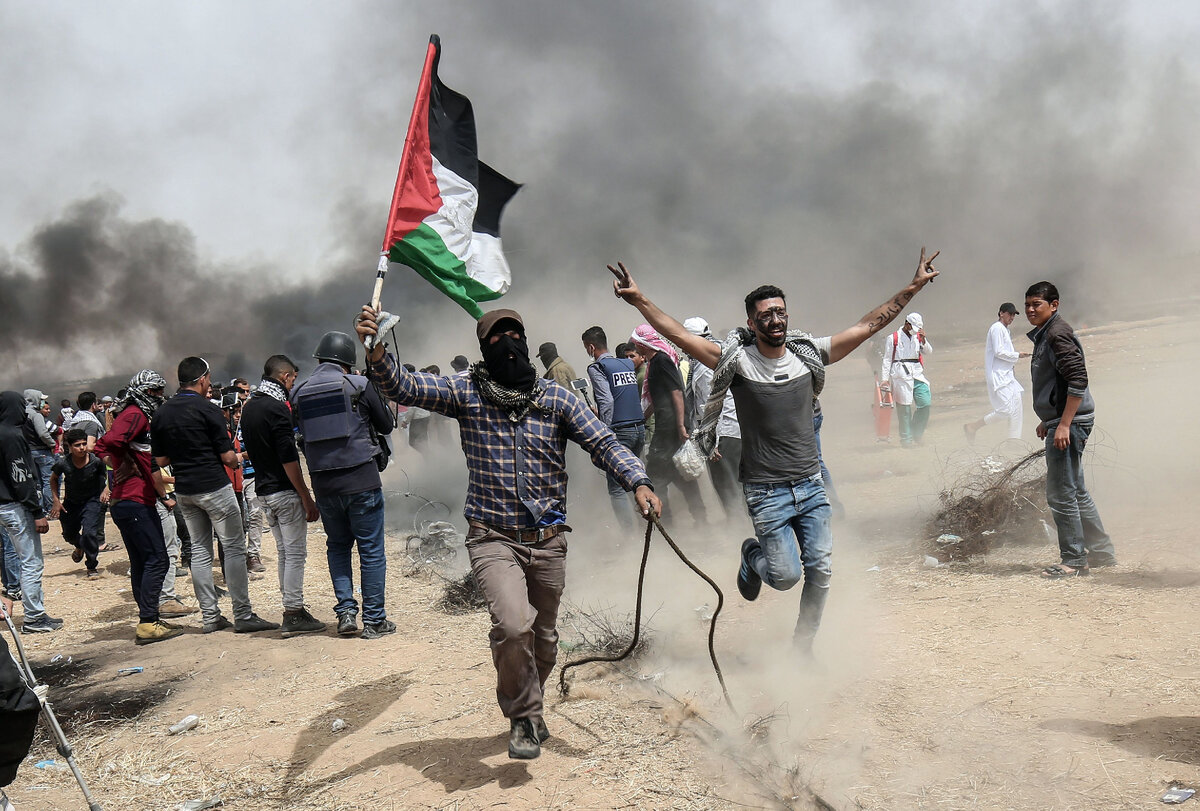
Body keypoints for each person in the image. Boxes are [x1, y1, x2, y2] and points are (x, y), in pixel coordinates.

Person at [356, 305, 661, 760]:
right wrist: (376, 347)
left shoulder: (557, 398)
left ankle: (533, 705)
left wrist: (637, 480)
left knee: (545, 637)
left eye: (515, 335)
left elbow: (603, 441)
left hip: (548, 539)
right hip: (492, 537)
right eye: (498, 339)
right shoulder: (466, 393)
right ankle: (521, 714)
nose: (509, 344)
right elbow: (404, 386)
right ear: (485, 349)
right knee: (513, 625)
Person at [609, 249, 939, 658]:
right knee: (784, 577)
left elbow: (869, 325)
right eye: (765, 314)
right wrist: (639, 299)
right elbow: (679, 336)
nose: (775, 319)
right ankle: (752, 554)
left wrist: (913, 287)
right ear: (751, 322)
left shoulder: (808, 354)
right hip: (767, 491)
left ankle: (803, 648)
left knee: (821, 571)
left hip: (810, 484)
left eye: (780, 311)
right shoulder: (737, 361)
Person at [151, 357, 278, 634]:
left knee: (199, 551)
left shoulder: (162, 412)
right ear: (203, 379)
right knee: (233, 548)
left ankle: (211, 617)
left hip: (185, 490)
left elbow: (160, 459)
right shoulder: (208, 410)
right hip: (214, 486)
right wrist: (236, 460)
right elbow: (228, 457)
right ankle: (243, 615)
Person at [291, 332, 394, 640]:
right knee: (371, 550)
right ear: (347, 362)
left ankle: (346, 613)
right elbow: (387, 425)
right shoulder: (358, 386)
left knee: (337, 547)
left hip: (324, 485)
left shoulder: (299, 392)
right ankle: (374, 621)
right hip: (361, 480)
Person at [1025, 282, 1116, 577]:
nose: (1029, 310)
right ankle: (1102, 552)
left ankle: (1074, 560)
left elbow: (1077, 379)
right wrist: (1049, 418)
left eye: (1036, 304)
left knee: (1060, 493)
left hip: (1071, 423)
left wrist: (1063, 423)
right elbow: (1059, 384)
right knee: (1075, 490)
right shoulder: (1047, 333)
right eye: (1027, 304)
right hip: (1065, 420)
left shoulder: (1056, 334)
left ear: (1054, 305)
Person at [94, 371, 188, 644]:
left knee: (142, 561)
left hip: (132, 501)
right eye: (154, 391)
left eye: (161, 391)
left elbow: (105, 445)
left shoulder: (137, 415)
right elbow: (107, 443)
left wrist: (121, 460)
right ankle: (148, 622)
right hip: (133, 501)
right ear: (143, 392)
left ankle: (149, 618)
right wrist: (122, 461)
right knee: (158, 559)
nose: (159, 396)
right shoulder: (135, 414)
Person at [241, 354, 325, 637]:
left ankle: (292, 608)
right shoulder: (277, 409)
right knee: (295, 554)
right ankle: (293, 612)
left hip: (263, 491)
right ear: (285, 376)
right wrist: (306, 496)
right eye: (293, 379)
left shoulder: (249, 408)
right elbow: (289, 458)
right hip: (283, 492)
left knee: (284, 553)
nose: (293, 384)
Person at [632, 324, 708, 526]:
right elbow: (658, 397)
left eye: (636, 343)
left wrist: (681, 425)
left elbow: (676, 392)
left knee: (654, 477)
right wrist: (643, 417)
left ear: (642, 343)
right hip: (668, 427)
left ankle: (665, 524)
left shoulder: (661, 361)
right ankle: (701, 521)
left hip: (669, 429)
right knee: (681, 475)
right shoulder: (655, 361)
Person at [0, 391, 59, 633]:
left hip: (2, 507)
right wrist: (37, 512)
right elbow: (21, 478)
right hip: (16, 507)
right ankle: (35, 617)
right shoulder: (12, 436)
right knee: (31, 562)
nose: (25, 412)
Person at [582, 325, 646, 529]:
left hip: (620, 432)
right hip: (639, 430)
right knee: (635, 479)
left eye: (586, 348)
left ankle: (630, 538)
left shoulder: (597, 368)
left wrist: (604, 432)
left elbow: (607, 401)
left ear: (591, 347)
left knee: (617, 488)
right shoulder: (626, 363)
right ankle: (643, 525)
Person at [681, 317, 744, 520]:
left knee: (727, 485)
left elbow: (716, 403)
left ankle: (740, 530)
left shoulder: (706, 366)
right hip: (734, 430)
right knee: (738, 484)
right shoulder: (719, 355)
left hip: (722, 434)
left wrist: (712, 440)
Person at [963, 303, 1029, 443]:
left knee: (1017, 404)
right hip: (998, 375)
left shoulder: (1005, 330)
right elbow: (999, 352)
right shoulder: (997, 328)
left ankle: (1014, 440)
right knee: (1005, 410)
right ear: (1001, 313)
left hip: (1007, 375)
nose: (1011, 317)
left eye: (1013, 315)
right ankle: (973, 426)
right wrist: (1018, 355)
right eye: (1009, 314)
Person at [49, 428, 109, 579]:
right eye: (77, 445)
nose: (82, 448)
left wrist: (106, 490)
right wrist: (56, 501)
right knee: (68, 534)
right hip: (71, 503)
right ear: (69, 447)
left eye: (84, 444)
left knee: (89, 533)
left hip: (92, 501)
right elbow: (53, 478)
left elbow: (106, 474)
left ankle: (91, 566)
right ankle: (79, 546)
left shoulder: (95, 461)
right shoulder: (63, 463)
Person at [880, 313, 933, 446]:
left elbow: (929, 351)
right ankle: (906, 439)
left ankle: (917, 432)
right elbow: (887, 359)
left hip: (917, 374)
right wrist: (884, 379)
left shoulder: (918, 337)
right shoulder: (893, 338)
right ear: (907, 323)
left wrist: (924, 341)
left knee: (925, 403)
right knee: (904, 409)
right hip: (901, 375)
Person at [20, 390, 55, 514]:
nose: (42, 402)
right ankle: (51, 509)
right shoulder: (36, 415)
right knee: (49, 481)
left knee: (36, 483)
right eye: (41, 399)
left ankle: (40, 509)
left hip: (28, 453)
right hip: (42, 452)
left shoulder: (21, 413)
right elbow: (43, 433)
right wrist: (52, 444)